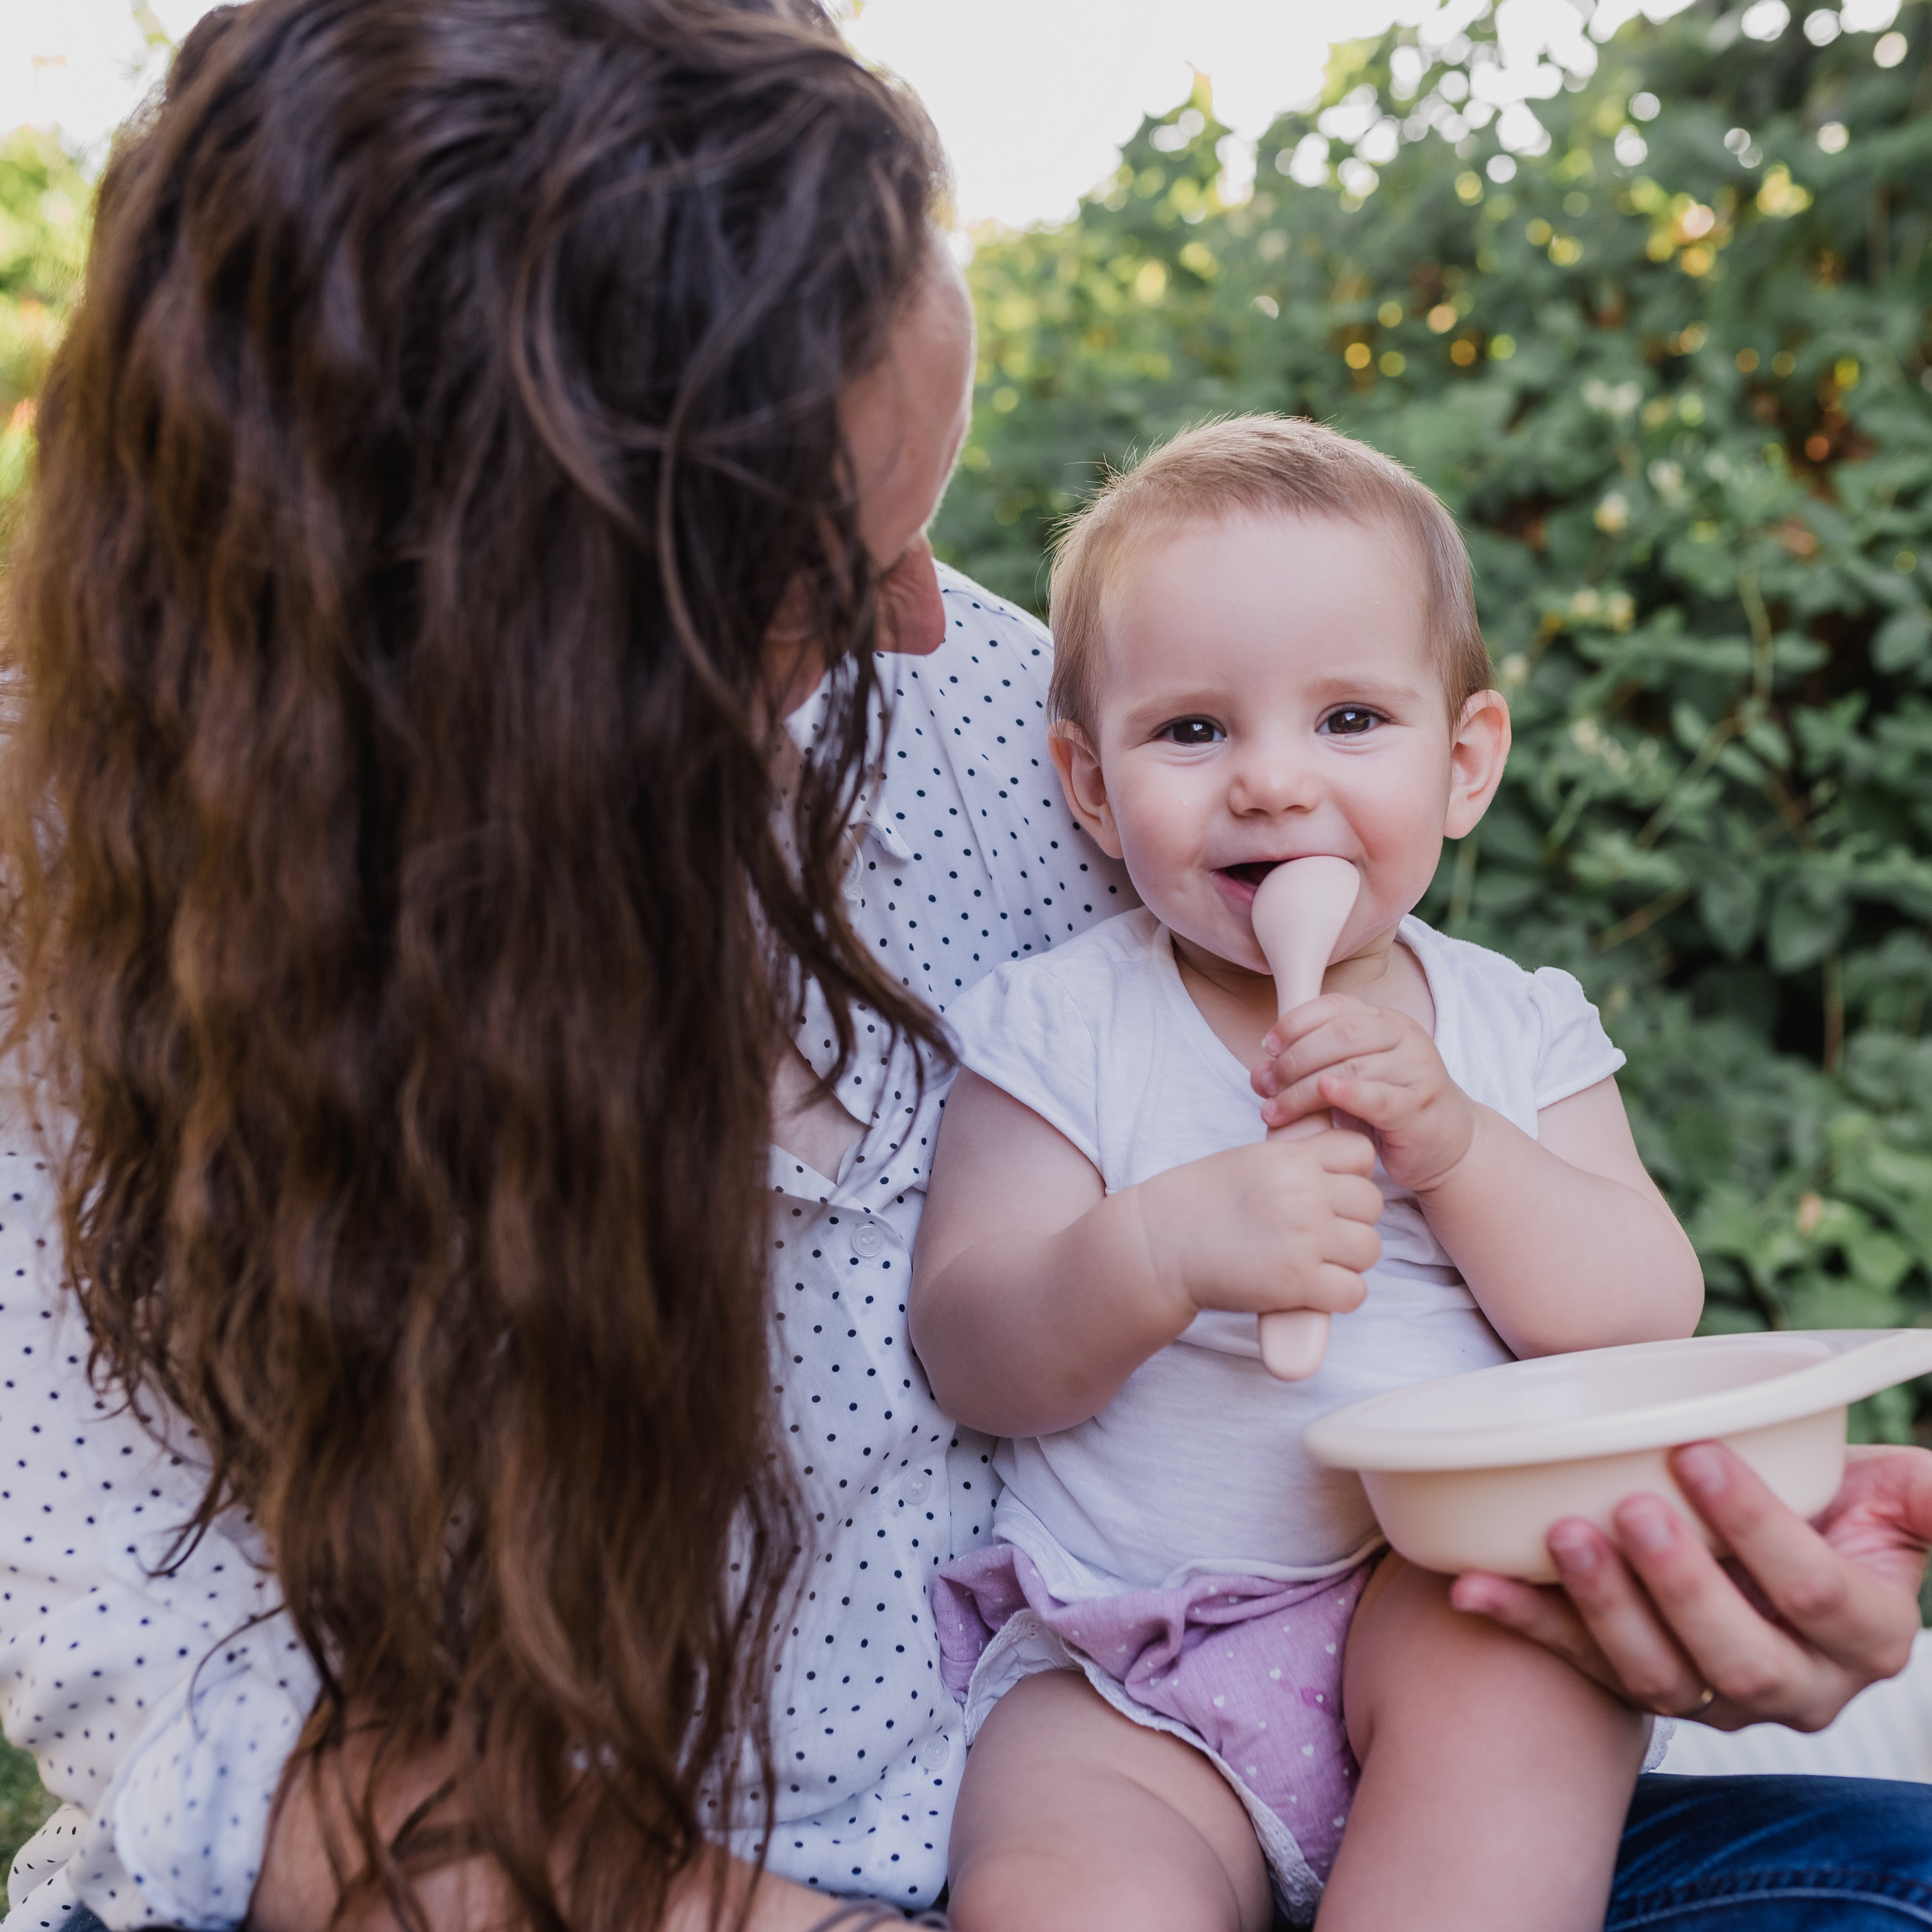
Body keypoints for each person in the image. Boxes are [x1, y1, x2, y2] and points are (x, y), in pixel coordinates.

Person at [0, 5, 1930, 1931]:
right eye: (831, 576)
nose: (931, 633)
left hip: (1288, 1774)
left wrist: (1706, 1581)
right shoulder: (73, 944)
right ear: (515, 627)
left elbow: (1592, 1326)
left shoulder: (1001, 723)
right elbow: (200, 1728)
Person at [911, 416, 1703, 1932]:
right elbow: (971, 1350)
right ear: (1088, 787)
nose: (1272, 782)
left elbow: (1641, 1315)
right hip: (1131, 1661)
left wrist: (1462, 1152)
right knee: (1061, 1884)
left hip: (1446, 1601)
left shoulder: (1514, 1028)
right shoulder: (1068, 1021)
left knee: (1533, 1680)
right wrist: (1161, 1251)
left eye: (1350, 720)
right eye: (1193, 732)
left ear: (1464, 763)